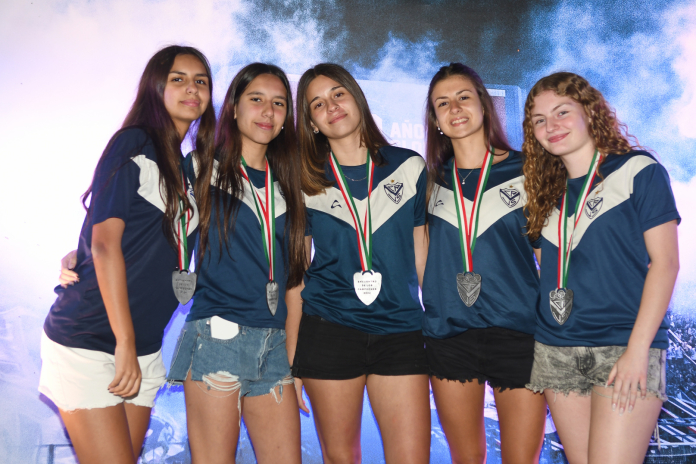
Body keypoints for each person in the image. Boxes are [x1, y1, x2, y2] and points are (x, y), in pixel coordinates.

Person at [40, 45, 215, 464]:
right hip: (91, 341)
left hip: (145, 348)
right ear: (155, 87)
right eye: (178, 79)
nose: (192, 88)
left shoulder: (186, 168)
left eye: (201, 81)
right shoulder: (134, 141)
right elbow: (105, 243)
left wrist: (77, 252)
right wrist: (124, 342)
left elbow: (139, 236)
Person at [523, 72, 680, 464]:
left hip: (624, 345)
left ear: (589, 111)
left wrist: (637, 351)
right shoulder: (544, 194)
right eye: (540, 120)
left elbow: (666, 264)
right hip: (556, 348)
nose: (551, 125)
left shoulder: (637, 171)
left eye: (562, 112)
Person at [286, 63, 431, 464]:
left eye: (338, 94)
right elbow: (297, 274)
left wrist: (440, 327)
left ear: (357, 98)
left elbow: (422, 256)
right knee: (341, 458)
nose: (331, 106)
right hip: (328, 328)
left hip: (400, 329)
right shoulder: (304, 180)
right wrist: (293, 358)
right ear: (311, 123)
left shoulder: (409, 166)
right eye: (317, 104)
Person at [165, 63, 306, 464]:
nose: (268, 111)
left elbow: (297, 281)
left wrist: (294, 361)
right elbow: (154, 233)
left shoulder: (292, 182)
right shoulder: (199, 167)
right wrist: (81, 254)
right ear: (233, 107)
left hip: (275, 344)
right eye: (256, 99)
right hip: (216, 337)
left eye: (279, 103)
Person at [421, 63, 547, 464]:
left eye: (463, 97)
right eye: (443, 103)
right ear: (435, 119)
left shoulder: (529, 170)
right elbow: (422, 258)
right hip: (450, 335)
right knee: (467, 458)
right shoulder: (428, 182)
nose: (455, 108)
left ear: (484, 105)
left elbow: (551, 260)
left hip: (520, 331)